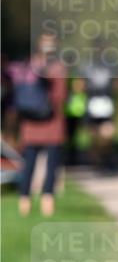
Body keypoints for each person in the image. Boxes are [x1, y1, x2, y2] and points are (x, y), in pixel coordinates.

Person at [10, 34, 67, 217]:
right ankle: (47, 202)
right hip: (52, 124)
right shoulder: (58, 68)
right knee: (51, 166)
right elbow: (60, 97)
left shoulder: (29, 65)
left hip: (30, 125)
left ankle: (24, 201)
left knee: (29, 165)